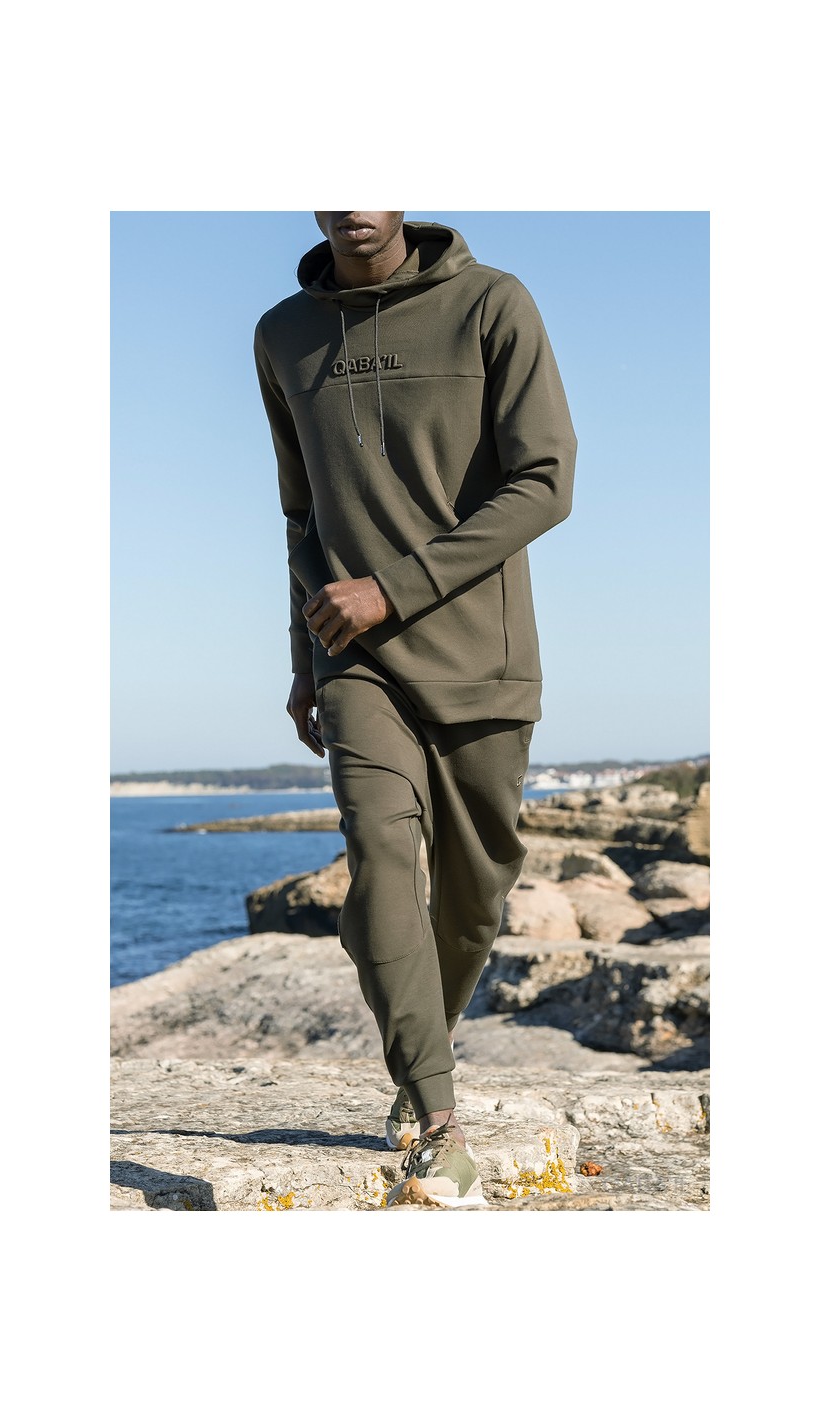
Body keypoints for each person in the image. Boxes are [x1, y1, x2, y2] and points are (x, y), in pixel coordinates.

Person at [254, 212, 577, 1207]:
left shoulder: (492, 305)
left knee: (476, 896)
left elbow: (545, 482)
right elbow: (302, 517)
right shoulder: (282, 335)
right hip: (355, 659)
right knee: (379, 855)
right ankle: (437, 1118)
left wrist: (391, 590)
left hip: (482, 655)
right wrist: (306, 656)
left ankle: (417, 1043)